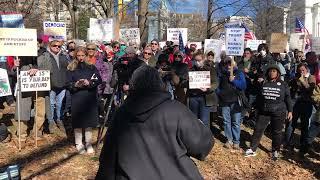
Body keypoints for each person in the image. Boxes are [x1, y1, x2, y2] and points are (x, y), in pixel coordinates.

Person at [96, 65, 214, 180]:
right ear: (160, 84)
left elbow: (107, 161)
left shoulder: (121, 113)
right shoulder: (176, 110)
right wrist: (201, 128)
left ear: (133, 85)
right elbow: (202, 146)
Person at [245, 64, 293, 160]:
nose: (272, 73)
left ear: (278, 73)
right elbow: (259, 97)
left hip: (279, 111)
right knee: (258, 129)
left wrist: (290, 111)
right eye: (270, 71)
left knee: (277, 132)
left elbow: (288, 98)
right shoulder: (264, 82)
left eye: (274, 71)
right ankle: (252, 149)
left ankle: (275, 150)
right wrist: (255, 107)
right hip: (264, 111)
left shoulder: (283, 84)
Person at [66, 47, 102, 154]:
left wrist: (89, 82)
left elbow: (98, 79)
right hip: (77, 96)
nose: (81, 58)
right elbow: (67, 83)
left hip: (89, 97)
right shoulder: (71, 68)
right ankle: (79, 143)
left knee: (88, 122)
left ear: (86, 55)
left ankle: (88, 143)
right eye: (79, 55)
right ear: (75, 56)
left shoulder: (91, 67)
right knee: (78, 121)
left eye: (83, 55)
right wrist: (75, 84)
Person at [37, 40, 68, 133]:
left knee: (59, 104)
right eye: (54, 45)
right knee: (51, 104)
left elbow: (68, 68)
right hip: (51, 84)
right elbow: (39, 68)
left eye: (59, 46)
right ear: (50, 46)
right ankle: (51, 121)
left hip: (62, 84)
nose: (57, 47)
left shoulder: (63, 56)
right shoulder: (45, 56)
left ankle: (59, 119)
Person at [285, 63, 316, 155]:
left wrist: (302, 80)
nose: (301, 72)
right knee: (291, 123)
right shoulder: (296, 77)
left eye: (303, 70)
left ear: (306, 70)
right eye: (299, 70)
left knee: (304, 125)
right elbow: (290, 86)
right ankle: (288, 142)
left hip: (307, 104)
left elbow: (310, 89)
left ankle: (302, 145)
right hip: (296, 103)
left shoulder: (311, 77)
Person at [218, 57, 246, 150]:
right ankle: (229, 139)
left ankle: (236, 141)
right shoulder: (222, 74)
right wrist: (220, 93)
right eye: (227, 64)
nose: (229, 65)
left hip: (235, 101)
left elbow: (243, 86)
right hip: (225, 101)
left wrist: (234, 80)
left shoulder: (239, 73)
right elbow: (218, 86)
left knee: (236, 122)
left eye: (231, 63)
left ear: (234, 64)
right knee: (226, 121)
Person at [188, 51, 218, 127]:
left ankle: (205, 137)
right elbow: (184, 83)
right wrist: (188, 81)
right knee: (193, 120)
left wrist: (208, 88)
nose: (197, 63)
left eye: (199, 60)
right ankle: (195, 137)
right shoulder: (191, 70)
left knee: (204, 120)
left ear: (204, 59)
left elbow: (215, 83)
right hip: (193, 97)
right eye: (195, 61)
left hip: (205, 98)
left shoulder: (210, 69)